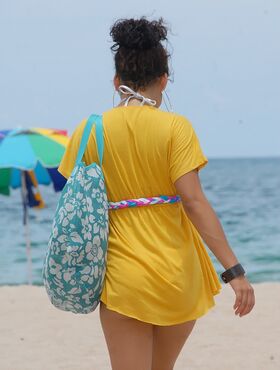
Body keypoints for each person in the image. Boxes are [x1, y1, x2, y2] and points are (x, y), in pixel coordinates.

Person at [58, 16, 255, 370]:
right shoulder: (176, 127)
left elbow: (74, 201)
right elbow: (194, 202)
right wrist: (234, 271)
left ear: (117, 81)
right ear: (164, 80)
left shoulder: (90, 130)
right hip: (178, 274)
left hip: (124, 275)